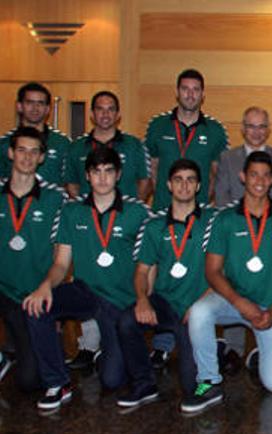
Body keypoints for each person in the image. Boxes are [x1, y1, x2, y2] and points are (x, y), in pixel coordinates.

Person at [22, 147, 151, 410]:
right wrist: (44, 287)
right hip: (86, 292)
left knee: (112, 380)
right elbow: (60, 264)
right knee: (37, 307)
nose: (102, 178)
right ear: (88, 176)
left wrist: (143, 299)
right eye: (96, 172)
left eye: (108, 171)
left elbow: (149, 264)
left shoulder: (137, 213)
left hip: (120, 300)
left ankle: (114, 348)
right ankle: (58, 382)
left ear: (118, 175)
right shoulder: (72, 212)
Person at [185, 151, 272, 412]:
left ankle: (261, 346)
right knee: (199, 312)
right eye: (253, 174)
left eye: (265, 175)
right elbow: (212, 271)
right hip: (233, 300)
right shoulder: (224, 219)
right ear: (242, 177)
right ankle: (208, 381)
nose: (259, 180)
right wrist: (239, 302)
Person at [116, 159, 213, 410]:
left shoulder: (213, 222)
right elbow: (142, 271)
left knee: (192, 389)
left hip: (201, 303)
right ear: (169, 185)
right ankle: (144, 384)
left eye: (191, 179)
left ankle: (208, 385)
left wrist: (203, 305)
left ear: (199, 185)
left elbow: (225, 270)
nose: (184, 185)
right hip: (167, 303)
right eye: (178, 180)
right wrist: (142, 299)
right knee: (127, 320)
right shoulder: (154, 225)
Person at [0, 127, 67, 392]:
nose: (27, 158)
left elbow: (61, 257)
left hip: (30, 295)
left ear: (42, 157)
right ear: (10, 153)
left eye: (34, 152)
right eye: (21, 150)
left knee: (29, 381)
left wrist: (51, 291)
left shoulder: (56, 198)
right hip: (1, 288)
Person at [145, 68, 228, 211]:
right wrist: (166, 195)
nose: (190, 95)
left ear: (202, 95)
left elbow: (217, 175)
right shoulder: (157, 125)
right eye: (185, 89)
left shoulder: (216, 130)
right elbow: (152, 169)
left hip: (199, 212)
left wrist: (202, 200)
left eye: (195, 90)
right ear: (177, 92)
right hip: (163, 210)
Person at [65, 91, 151, 200]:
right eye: (100, 109)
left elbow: (145, 182)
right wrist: (85, 208)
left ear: (118, 115)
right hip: (89, 214)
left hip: (125, 213)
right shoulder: (76, 147)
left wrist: (130, 211)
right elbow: (71, 184)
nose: (105, 114)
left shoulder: (134, 145)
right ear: (92, 114)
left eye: (111, 109)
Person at [215, 106, 272, 206]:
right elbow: (221, 196)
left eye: (261, 127)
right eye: (251, 126)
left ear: (268, 130)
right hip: (235, 219)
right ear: (243, 129)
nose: (256, 132)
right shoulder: (227, 158)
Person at [0, 82, 70, 186]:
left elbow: (70, 182)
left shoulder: (62, 143)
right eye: (29, 102)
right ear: (19, 106)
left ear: (47, 109)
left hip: (51, 201)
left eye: (40, 103)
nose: (35, 108)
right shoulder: (4, 143)